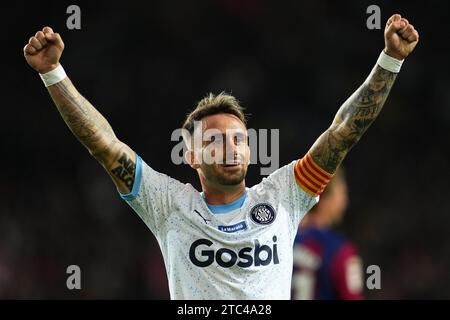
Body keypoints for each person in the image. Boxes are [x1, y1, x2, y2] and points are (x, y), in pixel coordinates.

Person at [23, 14, 419, 299]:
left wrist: (390, 61)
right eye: (214, 141)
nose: (230, 147)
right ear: (191, 155)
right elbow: (104, 145)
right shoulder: (168, 205)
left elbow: (343, 133)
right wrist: (53, 73)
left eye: (238, 139)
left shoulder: (284, 195)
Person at [292, 169, 364, 300]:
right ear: (323, 197)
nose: (345, 202)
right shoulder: (341, 250)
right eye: (341, 193)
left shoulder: (280, 241)